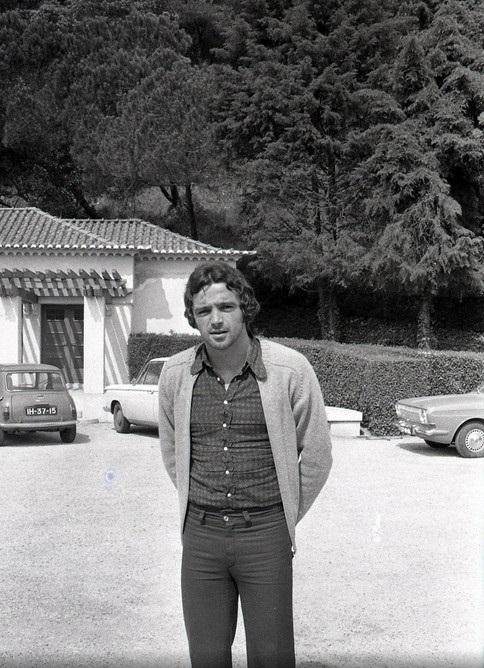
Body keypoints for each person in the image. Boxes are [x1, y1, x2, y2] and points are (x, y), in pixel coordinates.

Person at [158, 260, 332, 668]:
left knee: (272, 657)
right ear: (193, 317)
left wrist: (284, 514)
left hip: (266, 535)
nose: (216, 320)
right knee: (206, 657)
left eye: (226, 307)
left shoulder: (290, 369)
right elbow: (172, 452)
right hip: (200, 538)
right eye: (204, 311)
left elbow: (317, 454)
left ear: (245, 308)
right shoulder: (175, 374)